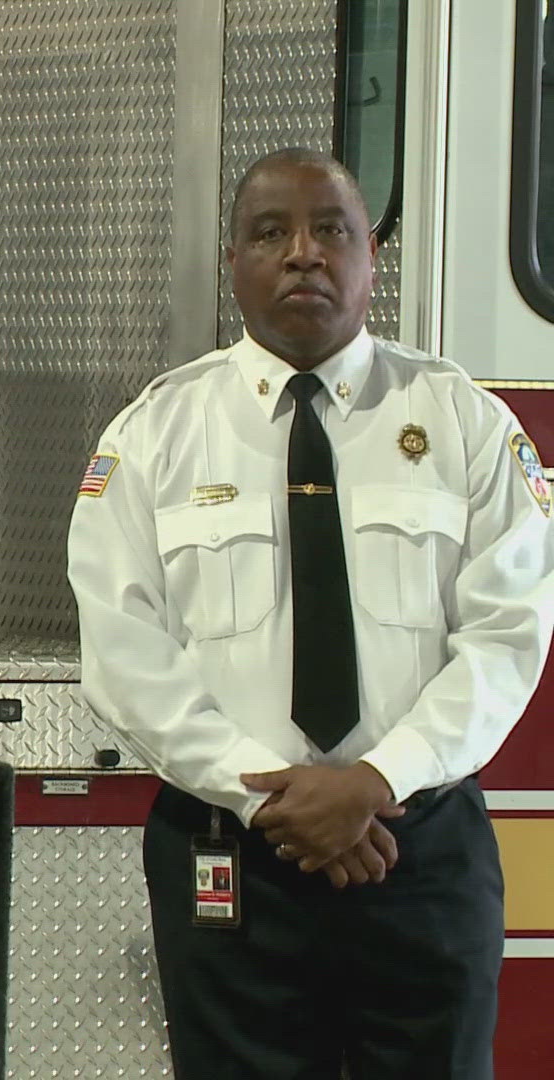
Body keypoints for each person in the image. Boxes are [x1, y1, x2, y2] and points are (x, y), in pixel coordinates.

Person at [68, 148, 554, 1077]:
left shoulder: (465, 425)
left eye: (330, 230)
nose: (303, 253)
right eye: (269, 233)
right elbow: (125, 650)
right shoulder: (156, 434)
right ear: (233, 264)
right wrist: (276, 798)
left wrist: (376, 778)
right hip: (234, 860)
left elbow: (507, 636)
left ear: (372, 256)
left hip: (420, 854)